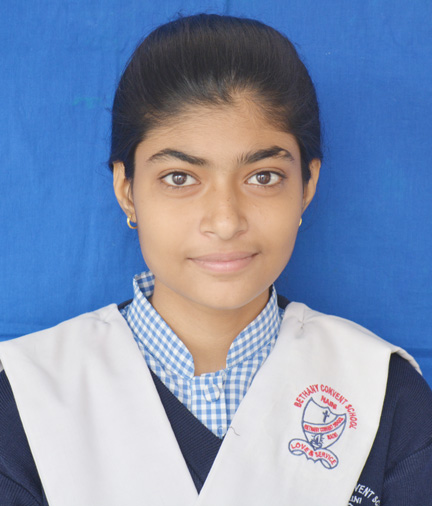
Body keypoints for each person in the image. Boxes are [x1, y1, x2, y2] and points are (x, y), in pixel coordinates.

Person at [0, 13, 431, 506]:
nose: (225, 221)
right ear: (126, 190)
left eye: (263, 176)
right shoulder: (26, 400)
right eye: (180, 178)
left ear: (308, 185)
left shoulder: (383, 395)